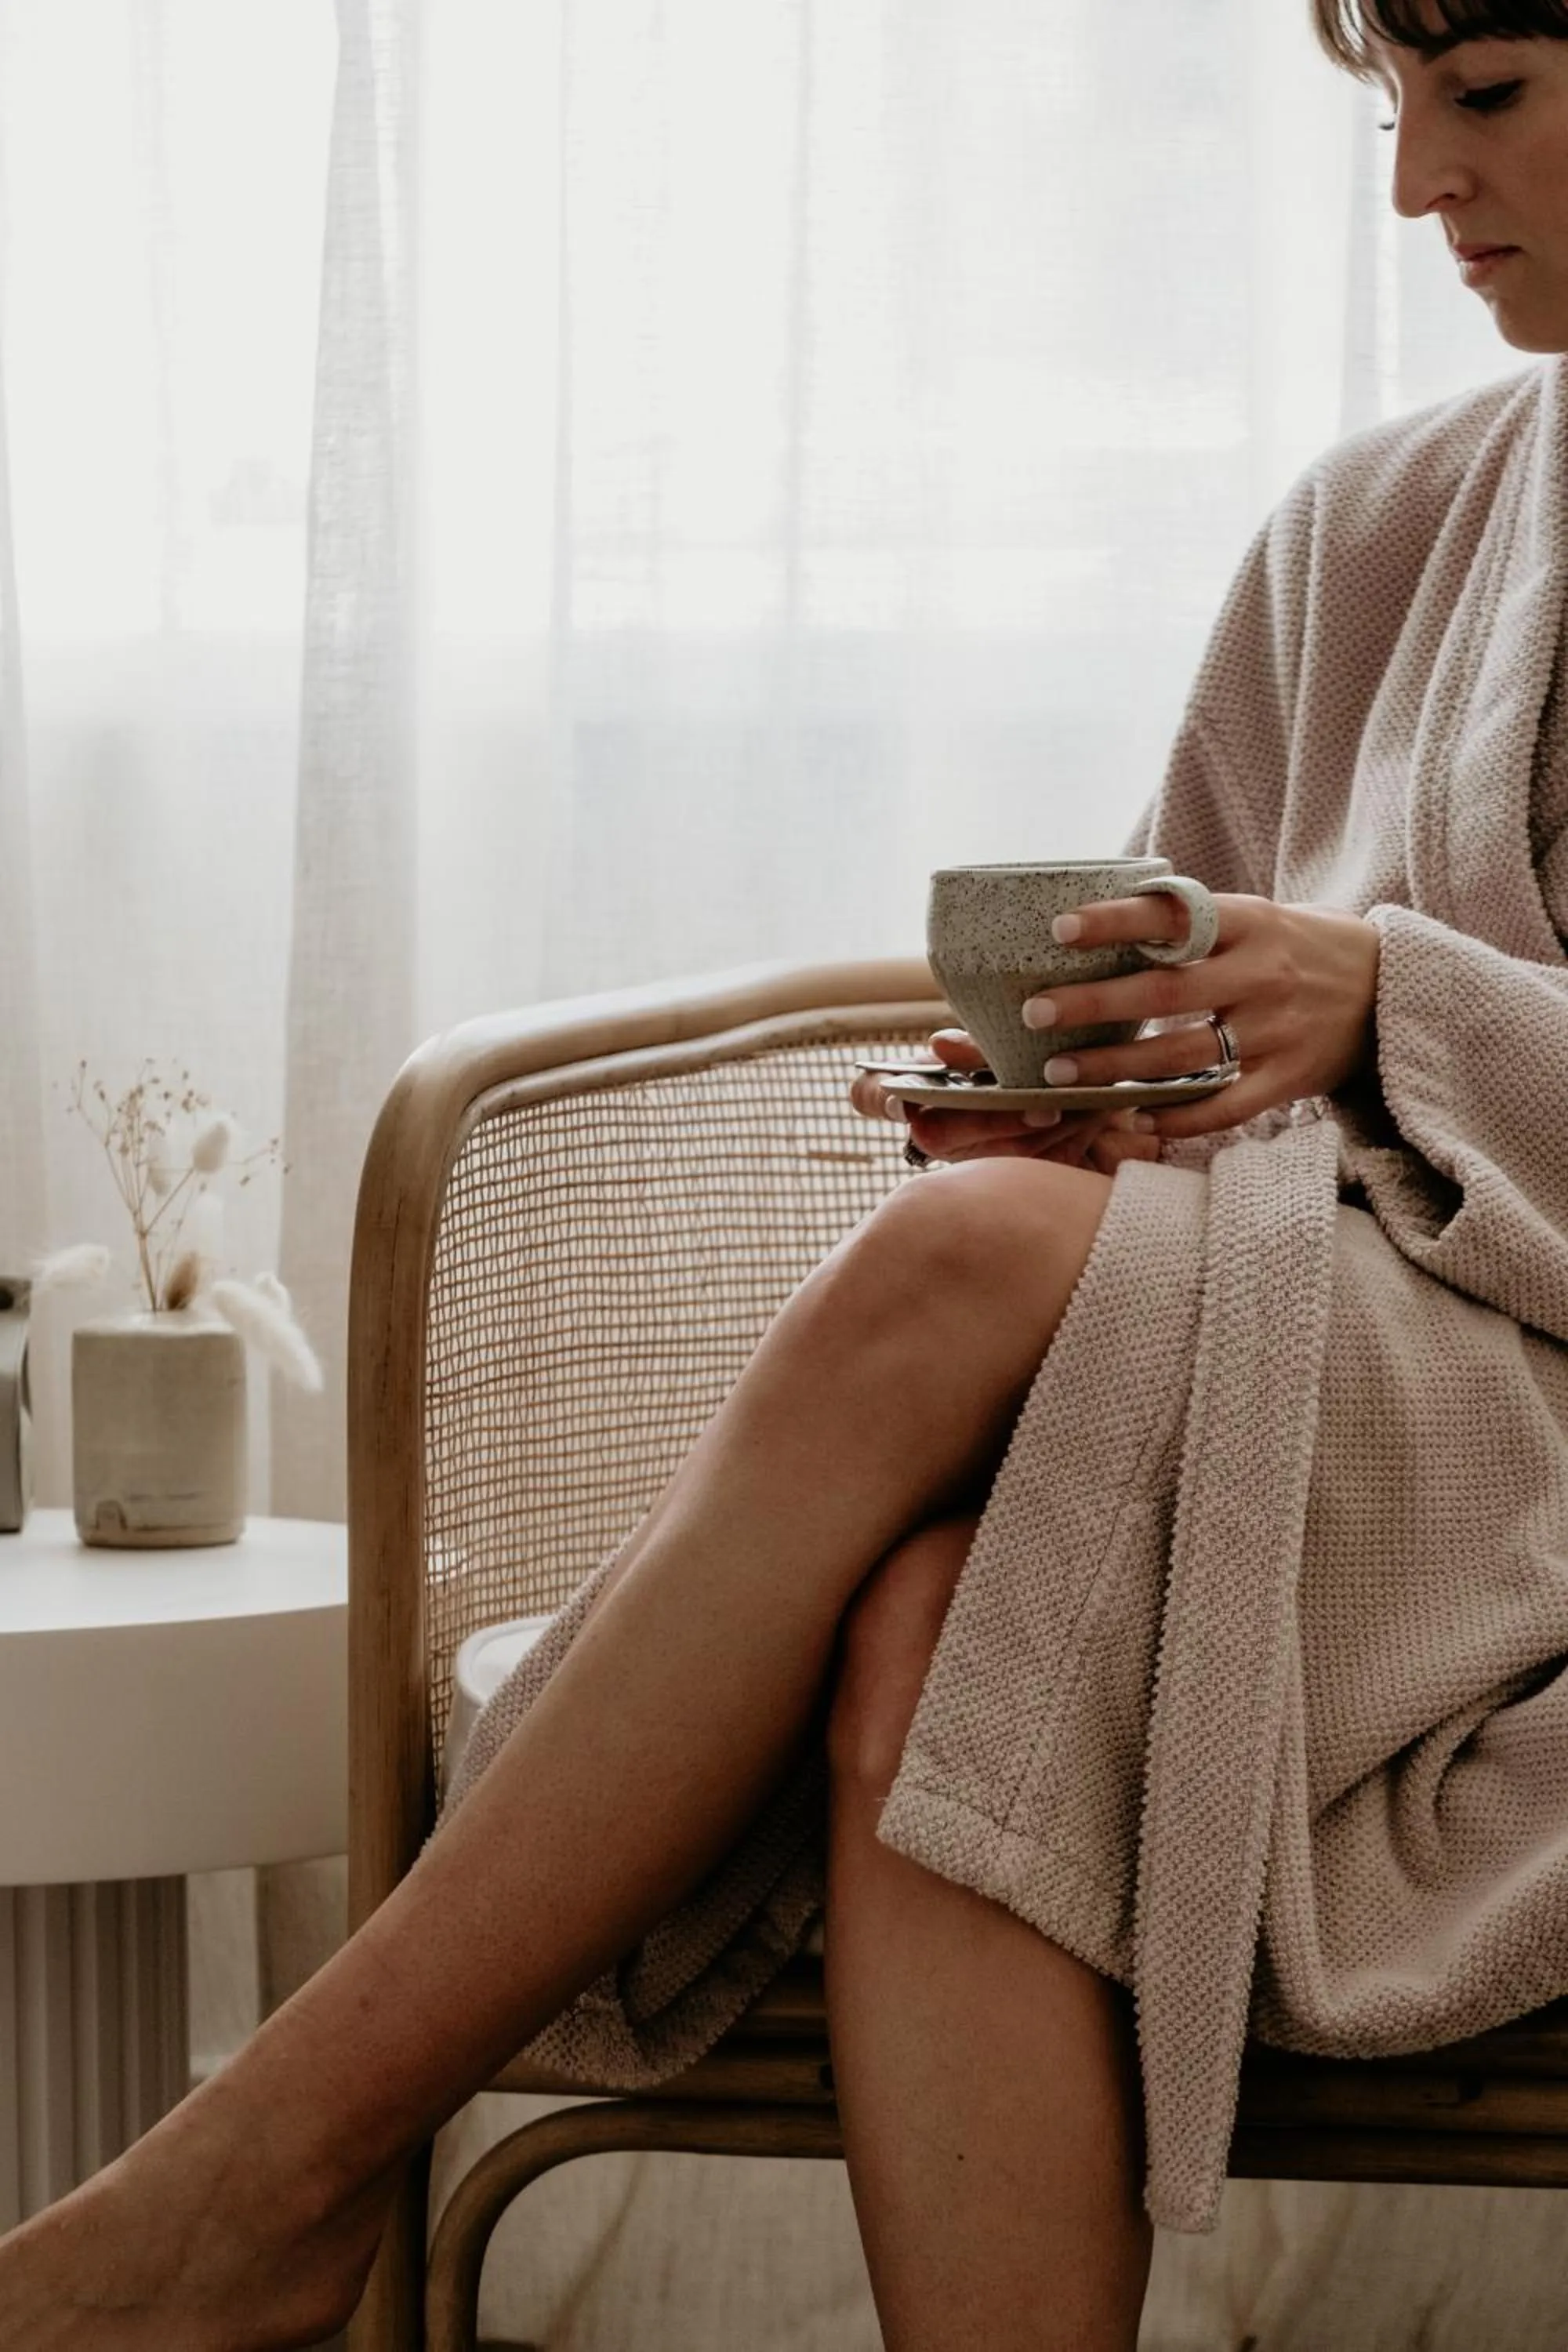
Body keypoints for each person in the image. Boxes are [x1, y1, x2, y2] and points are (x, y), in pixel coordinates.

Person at [5, 2, 1568, 2345]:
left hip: (1519, 1445)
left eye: (1495, 97)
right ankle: (274, 2191)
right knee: (932, 1645)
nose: (1418, 185)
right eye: (1399, 111)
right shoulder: (1373, 529)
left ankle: (270, 2174)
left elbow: (1350, 1010)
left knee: (962, 1272)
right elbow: (1194, 972)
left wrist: (1403, 1009)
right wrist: (1100, 1091)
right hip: (1275, 1371)